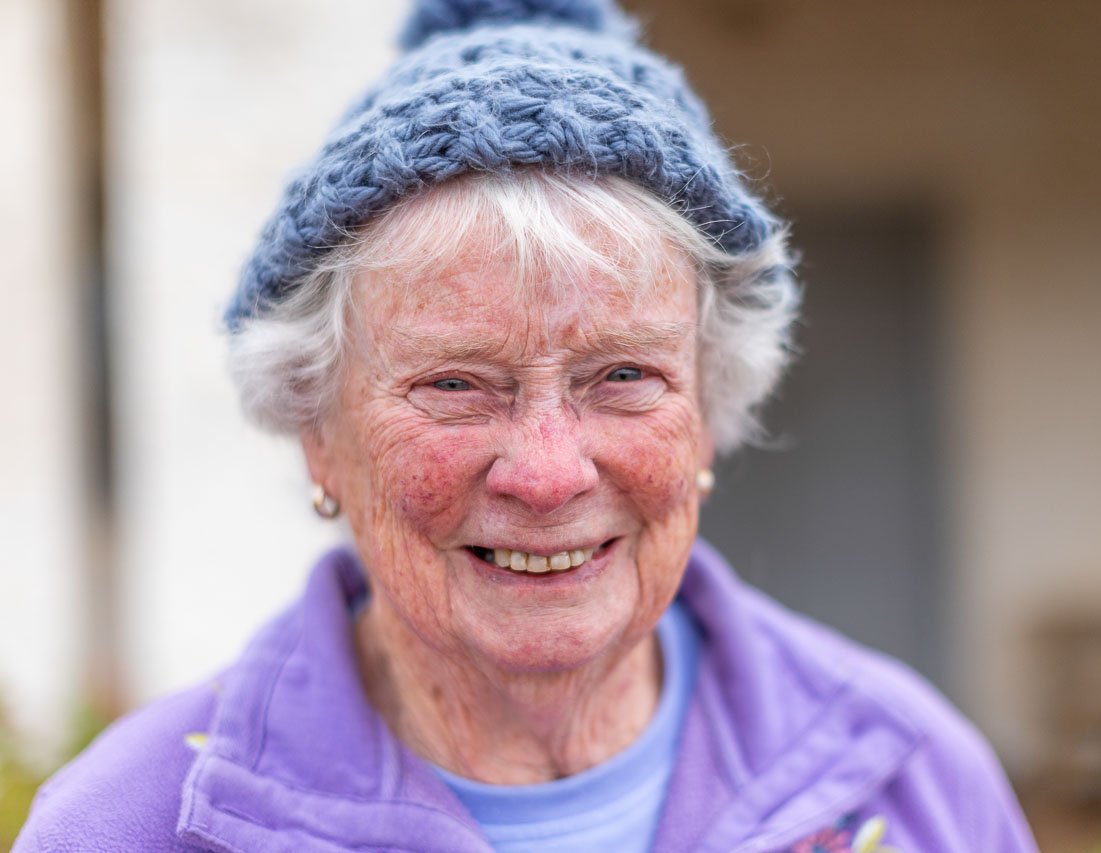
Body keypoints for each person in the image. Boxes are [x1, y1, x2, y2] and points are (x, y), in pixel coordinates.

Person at [17, 1, 1038, 850]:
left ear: (708, 411)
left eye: (623, 375)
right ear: (314, 429)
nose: (547, 475)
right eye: (457, 383)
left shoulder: (914, 782)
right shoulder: (126, 827)